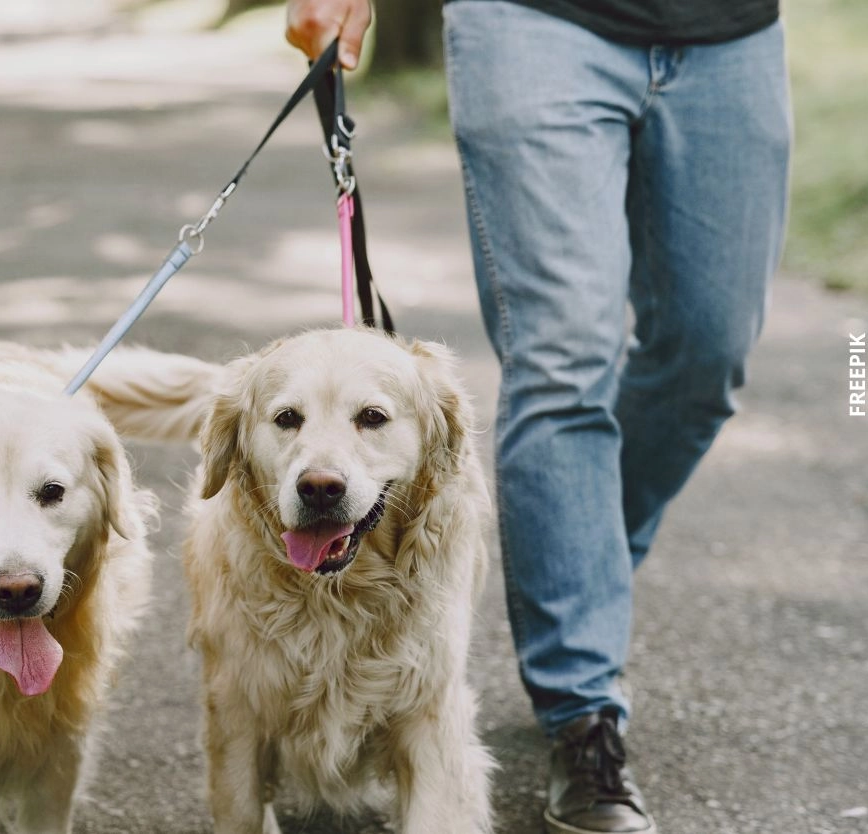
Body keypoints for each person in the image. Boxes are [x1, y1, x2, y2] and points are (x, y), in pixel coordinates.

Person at [283, 0, 790, 832]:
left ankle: (575, 554)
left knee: (709, 352)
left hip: (730, 31)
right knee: (563, 357)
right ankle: (583, 713)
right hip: (534, 23)